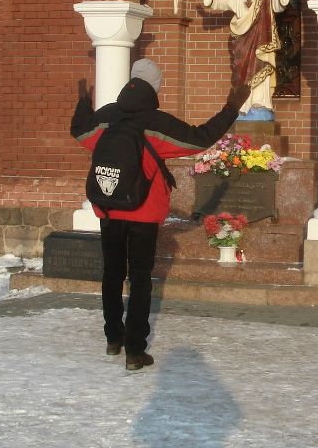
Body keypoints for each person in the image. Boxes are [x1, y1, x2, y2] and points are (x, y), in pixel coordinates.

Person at [72, 58, 250, 371]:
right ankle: (135, 351)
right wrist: (231, 108)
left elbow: (79, 131)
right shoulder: (157, 123)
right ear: (155, 88)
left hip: (109, 208)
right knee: (140, 278)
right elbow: (200, 138)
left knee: (112, 273)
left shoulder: (106, 117)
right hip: (143, 213)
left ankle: (113, 337)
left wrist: (84, 102)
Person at [196, 0, 298, 119]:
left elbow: (278, 3)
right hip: (242, 42)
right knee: (242, 71)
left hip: (261, 39)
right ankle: (244, 103)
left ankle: (260, 102)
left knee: (261, 66)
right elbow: (219, 0)